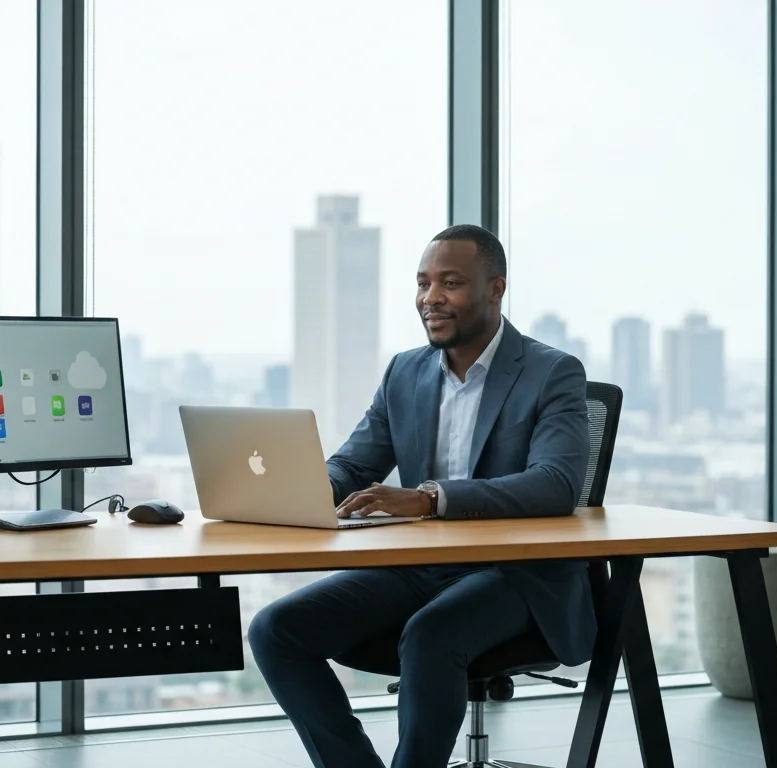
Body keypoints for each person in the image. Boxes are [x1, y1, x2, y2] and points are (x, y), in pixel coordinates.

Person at [247, 224, 594, 768]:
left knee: (431, 633)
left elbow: (556, 483)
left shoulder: (551, 372)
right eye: (423, 283)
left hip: (515, 573)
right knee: (275, 630)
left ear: (496, 289)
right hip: (419, 567)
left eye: (450, 283)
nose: (430, 298)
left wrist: (431, 498)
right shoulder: (405, 371)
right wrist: (299, 491)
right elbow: (354, 464)